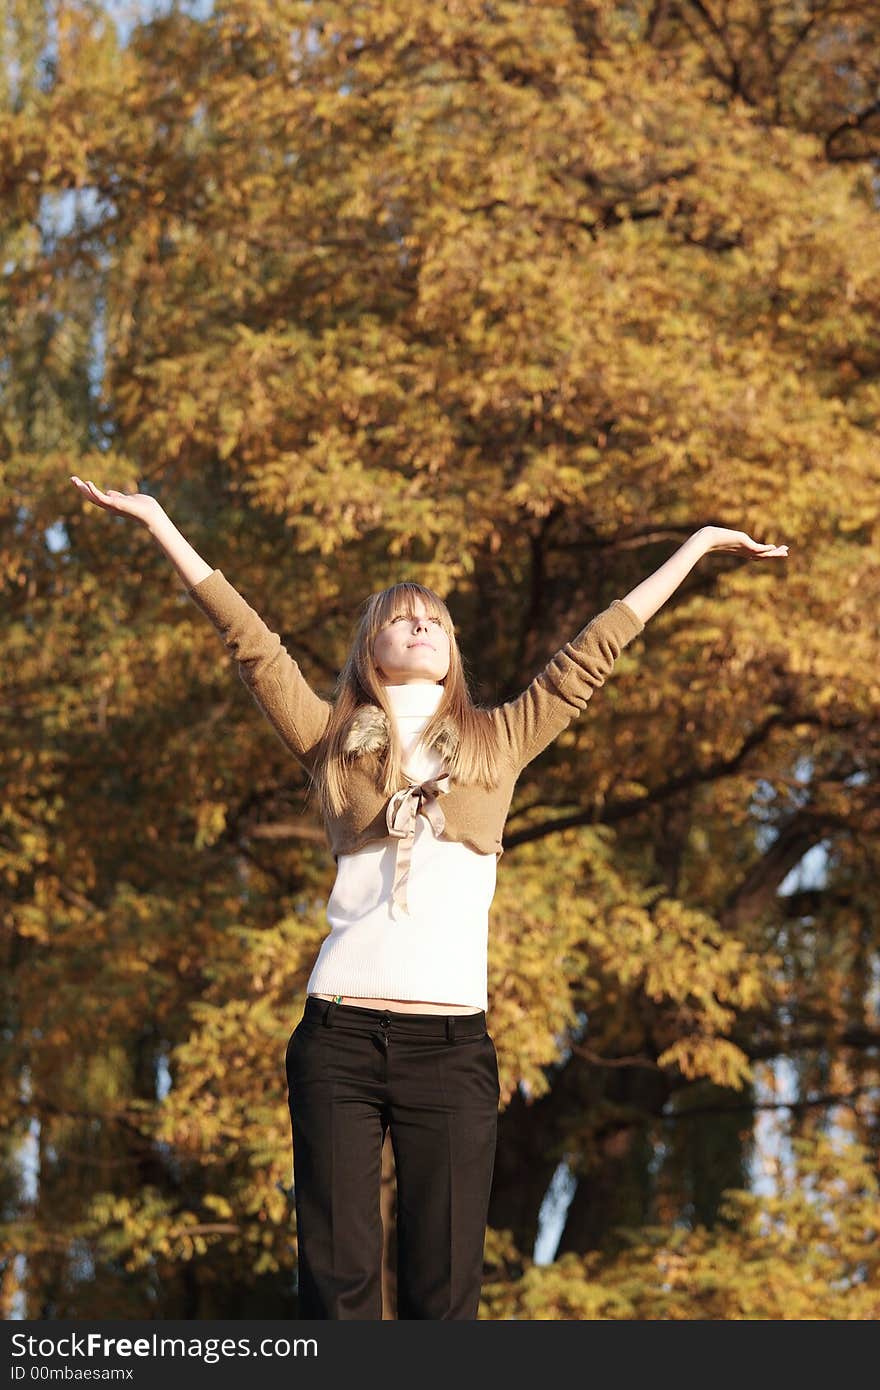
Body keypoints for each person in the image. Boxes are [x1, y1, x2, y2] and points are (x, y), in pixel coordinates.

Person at [69, 475, 789, 1318]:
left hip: (450, 1046)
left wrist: (696, 545)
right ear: (370, 646)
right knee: (335, 1293)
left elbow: (594, 652)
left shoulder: (498, 741)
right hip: (336, 1036)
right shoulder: (331, 741)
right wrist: (160, 520)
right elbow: (251, 643)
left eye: (435, 619)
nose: (422, 623)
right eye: (403, 616)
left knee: (443, 1298)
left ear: (451, 651)